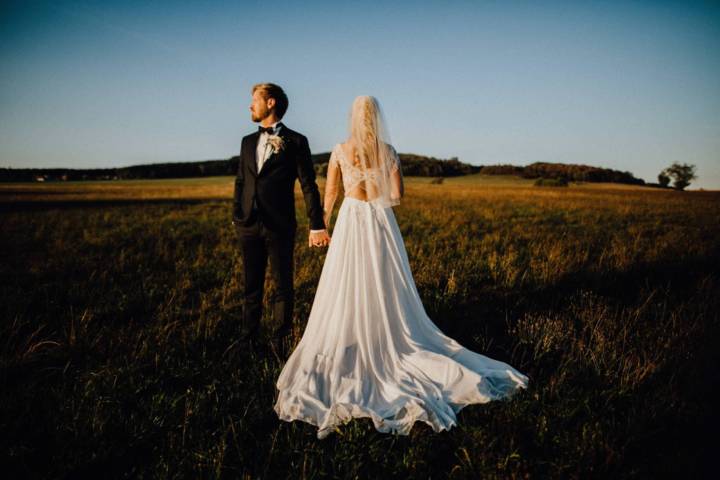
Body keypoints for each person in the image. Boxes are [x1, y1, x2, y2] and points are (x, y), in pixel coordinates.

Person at [274, 95, 529, 438]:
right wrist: (375, 191)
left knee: (349, 281)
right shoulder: (389, 151)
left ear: (352, 117)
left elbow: (331, 193)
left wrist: (323, 225)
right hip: (380, 221)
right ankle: (384, 331)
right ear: (376, 118)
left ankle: (357, 333)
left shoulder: (339, 150)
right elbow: (397, 195)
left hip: (351, 220)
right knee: (384, 281)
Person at [232, 83, 330, 354]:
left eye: (255, 100)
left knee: (282, 286)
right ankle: (247, 340)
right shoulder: (246, 142)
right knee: (250, 286)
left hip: (280, 225)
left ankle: (279, 343)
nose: (250, 105)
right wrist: (236, 215)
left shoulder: (297, 141)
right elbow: (241, 181)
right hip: (248, 225)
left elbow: (308, 184)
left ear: (271, 103)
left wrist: (316, 224)